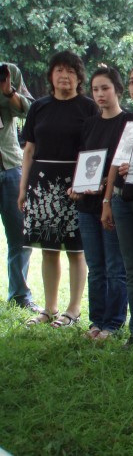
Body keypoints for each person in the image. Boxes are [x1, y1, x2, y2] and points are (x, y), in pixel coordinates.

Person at [19, 51, 98, 327]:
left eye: (71, 71)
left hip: (75, 186)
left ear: (79, 78)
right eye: (59, 70)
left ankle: (73, 310)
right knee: (48, 248)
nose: (65, 76)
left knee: (76, 250)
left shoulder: (88, 107)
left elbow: (94, 150)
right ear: (51, 76)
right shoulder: (38, 106)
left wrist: (83, 183)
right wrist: (22, 190)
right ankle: (49, 308)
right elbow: (29, 150)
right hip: (40, 185)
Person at [70, 66, 128, 341]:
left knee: (116, 267)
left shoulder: (128, 122)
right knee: (96, 267)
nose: (100, 94)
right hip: (86, 205)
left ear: (117, 89)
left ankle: (114, 324)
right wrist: (77, 185)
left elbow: (123, 163)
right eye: (95, 89)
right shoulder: (90, 123)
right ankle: (97, 321)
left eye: (105, 88)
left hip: (113, 202)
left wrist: (108, 186)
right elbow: (85, 159)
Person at [100, 63, 133, 345]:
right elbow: (114, 164)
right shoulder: (130, 121)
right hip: (122, 201)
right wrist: (107, 200)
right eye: (132, 81)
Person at [0, 62, 36, 311]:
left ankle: (20, 296)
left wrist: (8, 91)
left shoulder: (8, 71)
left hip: (10, 166)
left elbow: (29, 111)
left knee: (20, 235)